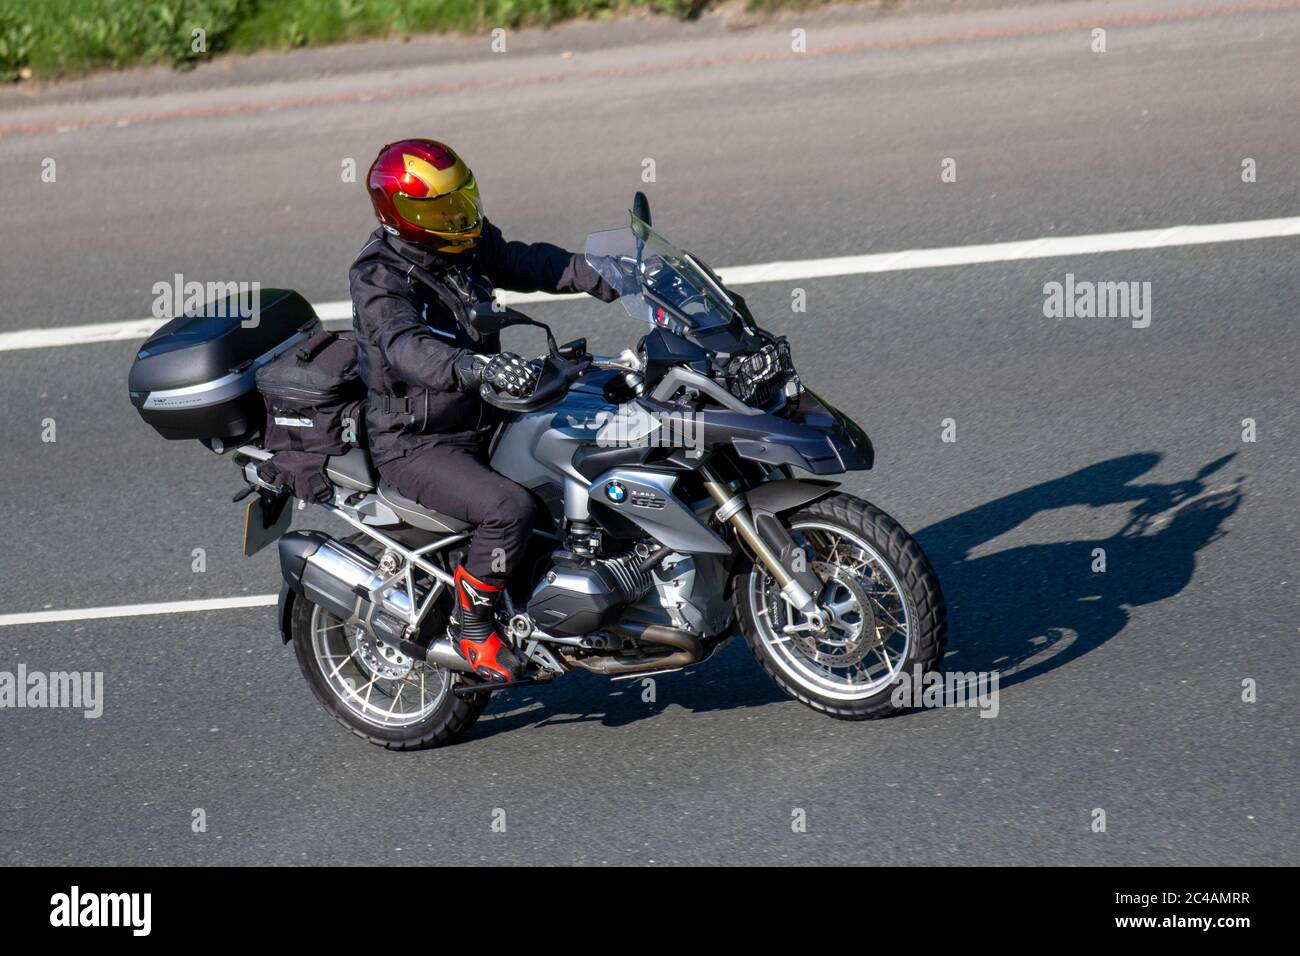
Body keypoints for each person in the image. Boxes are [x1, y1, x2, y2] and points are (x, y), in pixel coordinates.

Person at [350, 138, 617, 683]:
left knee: (598, 424)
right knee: (507, 510)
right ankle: (471, 625)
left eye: (460, 200)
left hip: (485, 411)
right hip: (419, 441)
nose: (457, 216)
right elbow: (405, 347)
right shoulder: (378, 278)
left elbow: (525, 261)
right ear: (400, 214)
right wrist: (475, 367)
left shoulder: (463, 242)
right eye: (439, 208)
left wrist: (606, 274)